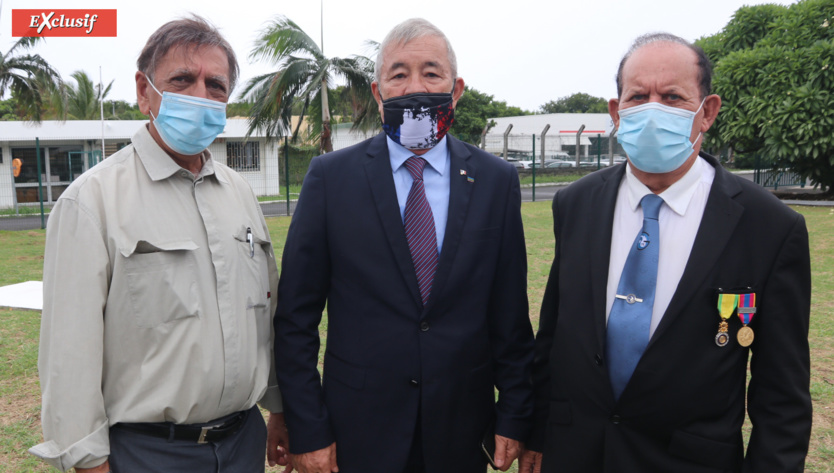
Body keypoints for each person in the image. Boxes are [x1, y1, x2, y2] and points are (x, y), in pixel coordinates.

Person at [520, 32, 812, 473]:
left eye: (673, 97)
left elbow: (782, 395)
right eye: (638, 96)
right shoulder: (576, 204)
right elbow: (555, 337)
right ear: (616, 113)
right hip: (575, 454)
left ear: (707, 112)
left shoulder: (768, 226)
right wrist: (537, 433)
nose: (653, 110)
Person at [29, 16, 290, 473]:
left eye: (216, 85)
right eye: (182, 80)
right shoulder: (92, 202)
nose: (200, 97)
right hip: (148, 454)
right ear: (144, 90)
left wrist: (280, 409)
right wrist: (87, 460)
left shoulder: (240, 195)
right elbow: (69, 354)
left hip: (241, 444)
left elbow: (265, 318)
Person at [274, 17, 535, 473]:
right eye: (398, 75)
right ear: (377, 94)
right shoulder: (330, 179)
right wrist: (309, 427)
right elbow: (296, 319)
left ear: (456, 91)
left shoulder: (496, 181)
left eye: (431, 73)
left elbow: (509, 315)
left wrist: (514, 414)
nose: (415, 87)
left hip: (461, 428)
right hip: (357, 431)